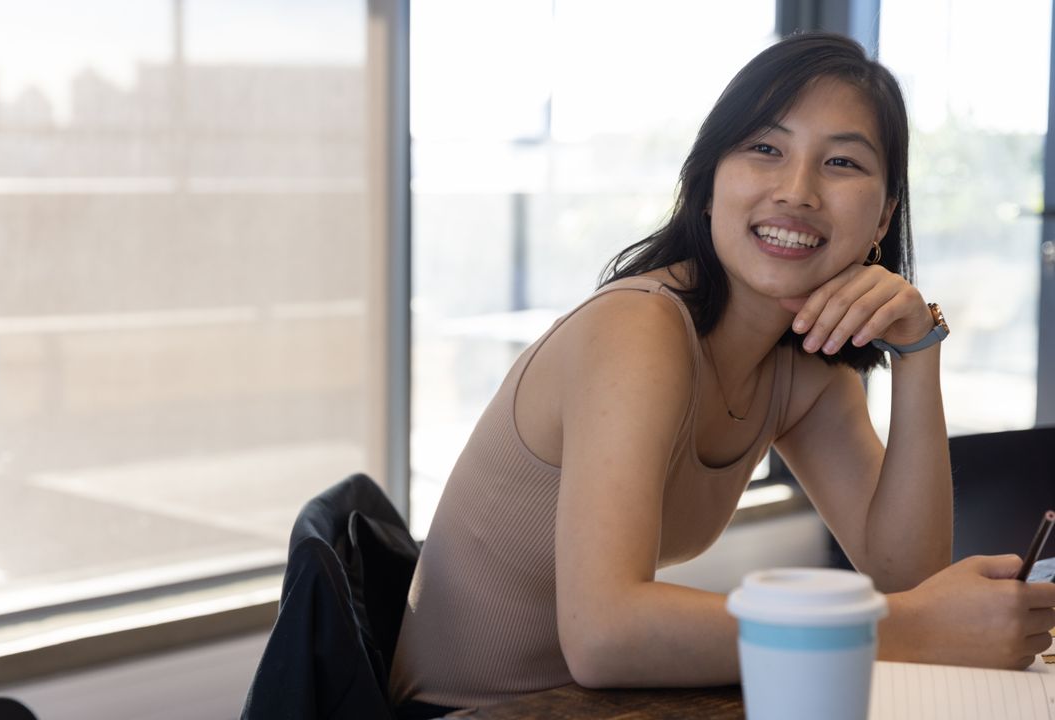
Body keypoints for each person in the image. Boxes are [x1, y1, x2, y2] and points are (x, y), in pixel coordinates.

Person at [389, 31, 1055, 711]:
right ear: (707, 186)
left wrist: (919, 347)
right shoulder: (638, 328)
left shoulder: (804, 371)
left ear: (883, 216)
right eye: (765, 149)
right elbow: (604, 633)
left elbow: (908, 575)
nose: (797, 191)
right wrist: (908, 627)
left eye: (843, 163)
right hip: (472, 713)